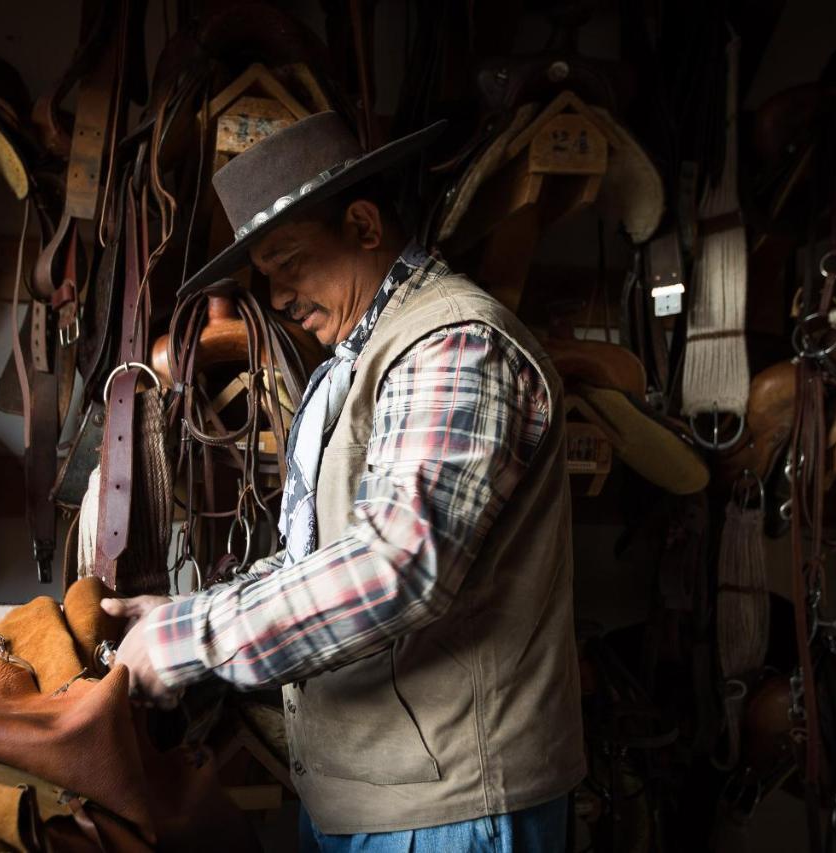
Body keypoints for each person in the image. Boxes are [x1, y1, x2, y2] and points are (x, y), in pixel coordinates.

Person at [102, 112, 584, 852]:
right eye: (267, 277)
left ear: (363, 225)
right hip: (377, 798)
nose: (280, 295)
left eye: (290, 262)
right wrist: (186, 610)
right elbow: (319, 554)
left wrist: (188, 638)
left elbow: (397, 565)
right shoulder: (363, 360)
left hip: (447, 812)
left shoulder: (454, 344)